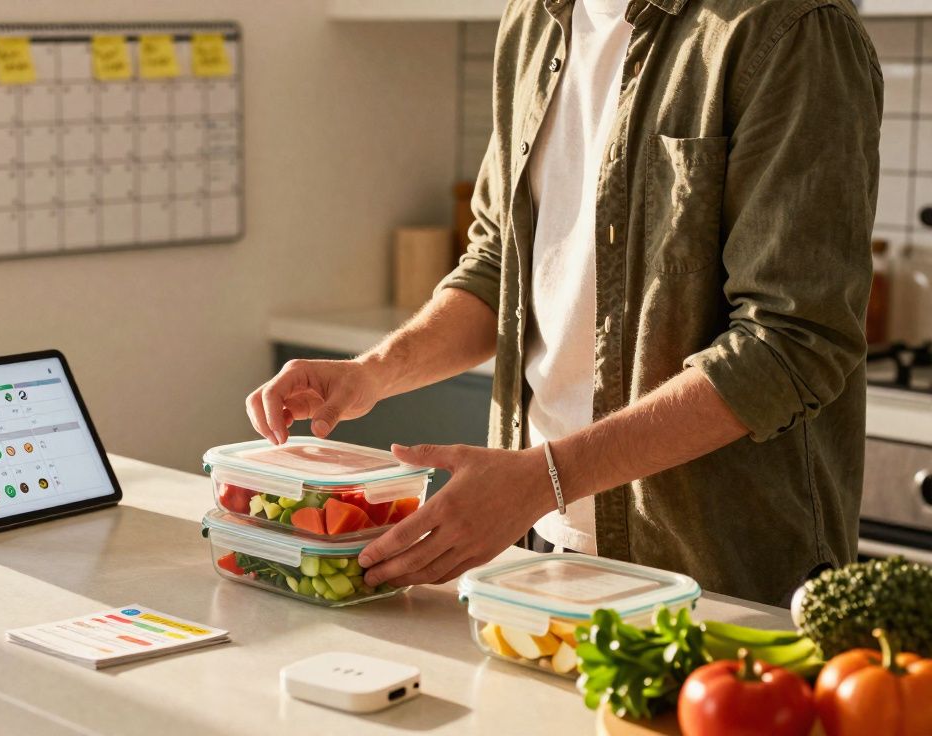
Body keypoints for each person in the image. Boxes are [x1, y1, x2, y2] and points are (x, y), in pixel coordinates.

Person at [246, 0, 882, 606]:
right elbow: (501, 266)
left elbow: (790, 342)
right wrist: (373, 374)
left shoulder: (791, 27)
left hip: (714, 568)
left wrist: (545, 477)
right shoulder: (534, 20)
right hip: (537, 547)